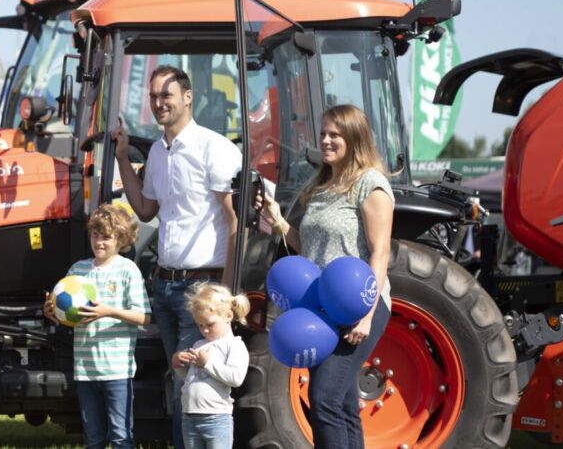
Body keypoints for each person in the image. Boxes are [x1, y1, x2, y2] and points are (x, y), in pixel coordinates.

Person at [113, 64, 240, 448]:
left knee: (194, 385)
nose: (158, 103)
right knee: (181, 383)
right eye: (153, 96)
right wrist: (121, 157)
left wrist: (228, 291)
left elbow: (236, 220)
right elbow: (146, 209)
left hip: (201, 286)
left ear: (188, 96)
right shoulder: (157, 153)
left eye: (166, 95)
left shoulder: (213, 148)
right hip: (165, 286)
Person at [257, 104, 394, 449]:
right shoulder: (321, 185)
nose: (327, 140)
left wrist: (366, 312)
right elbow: (310, 248)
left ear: (354, 137)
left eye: (335, 134)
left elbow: (380, 252)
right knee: (343, 402)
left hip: (358, 306)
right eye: (323, 134)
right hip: (323, 307)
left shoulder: (371, 185)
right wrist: (278, 222)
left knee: (324, 398)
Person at [42, 204, 151, 449]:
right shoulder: (77, 270)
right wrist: (52, 313)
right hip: (85, 370)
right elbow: (67, 317)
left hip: (117, 371)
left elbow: (144, 317)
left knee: (121, 436)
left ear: (121, 239)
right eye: (95, 235)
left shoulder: (127, 270)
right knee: (93, 438)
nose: (99, 242)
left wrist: (108, 311)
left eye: (107, 237)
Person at [174, 283, 250, 449]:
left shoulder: (234, 345)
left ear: (228, 316)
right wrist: (179, 365)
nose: (205, 330)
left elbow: (236, 378)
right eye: (200, 325)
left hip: (216, 419)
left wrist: (207, 363)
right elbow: (190, 378)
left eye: (209, 324)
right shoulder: (199, 344)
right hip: (190, 416)